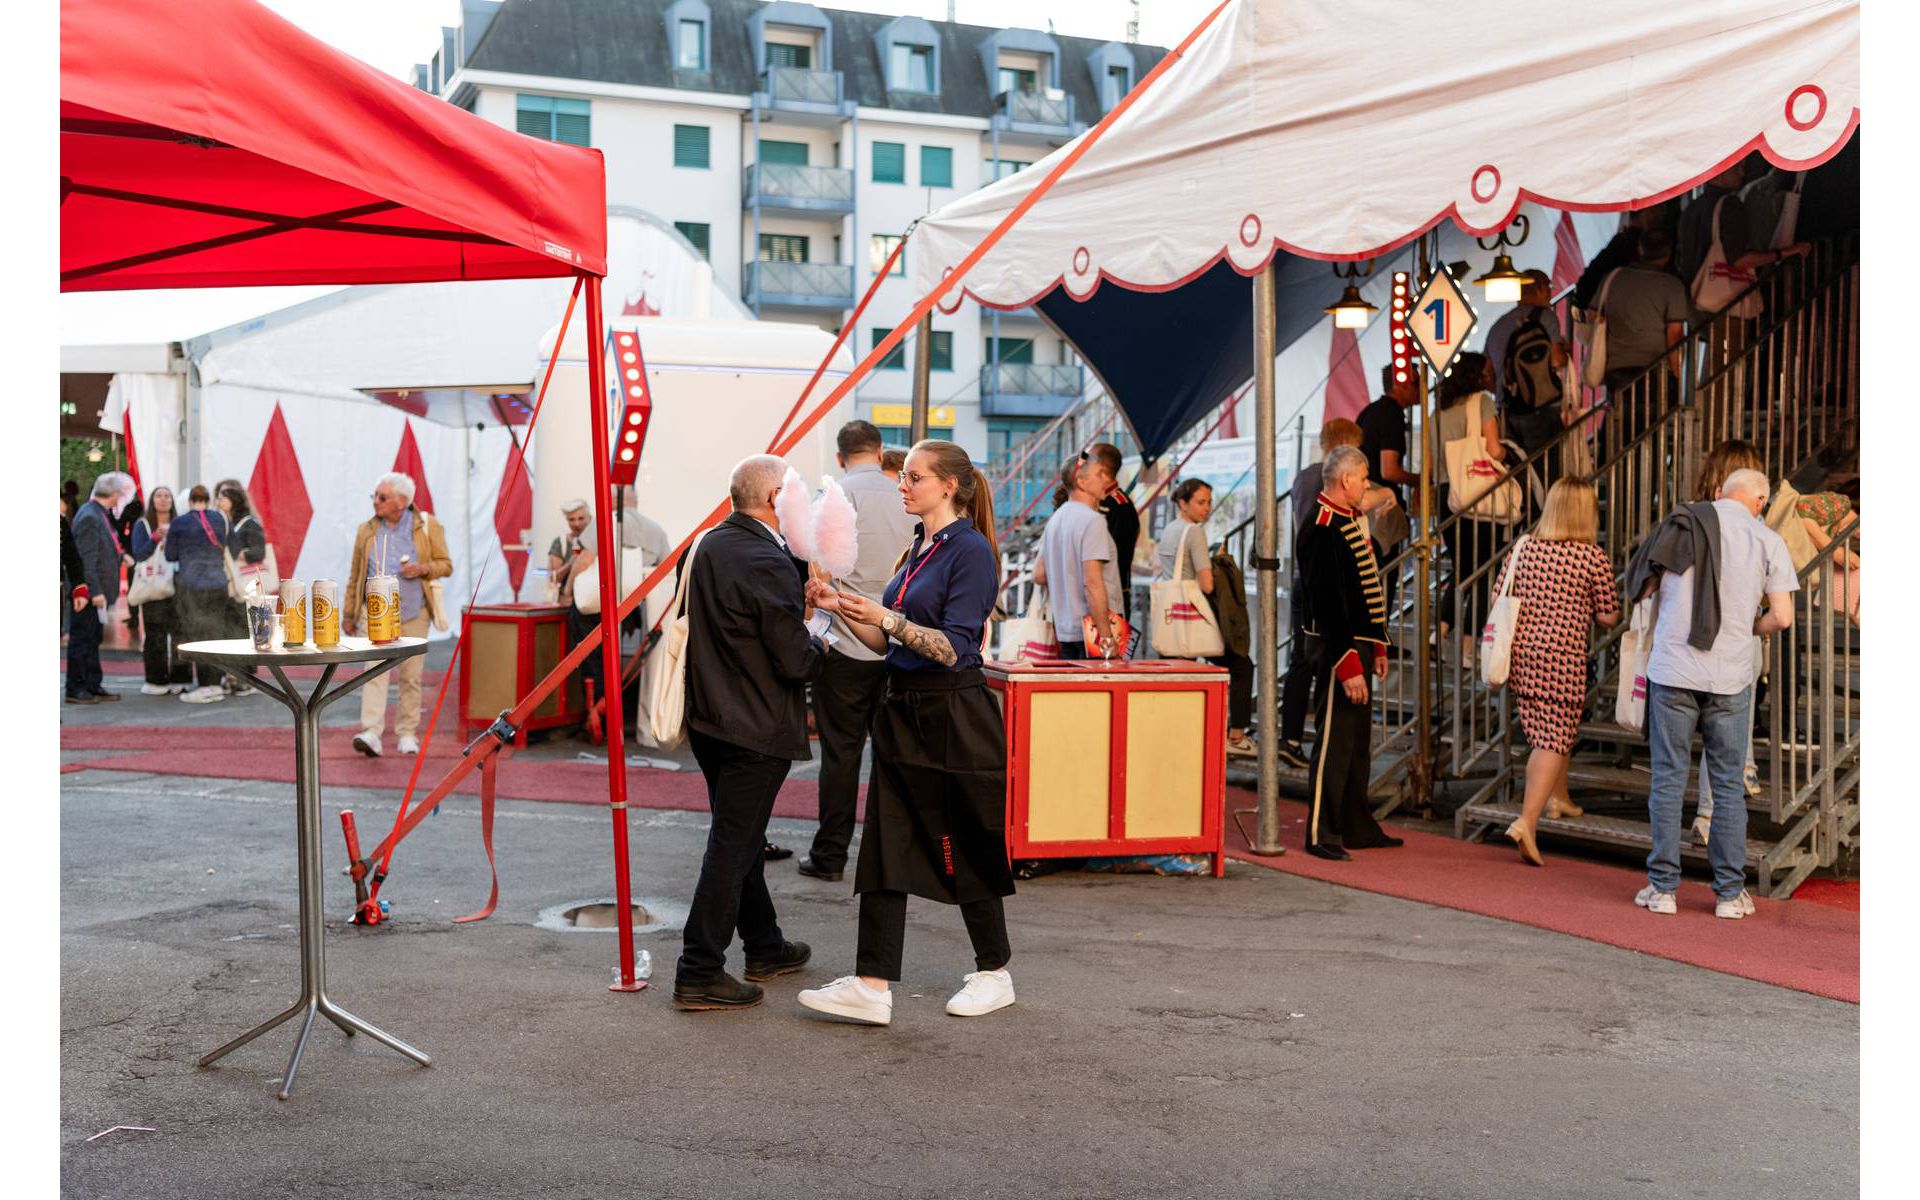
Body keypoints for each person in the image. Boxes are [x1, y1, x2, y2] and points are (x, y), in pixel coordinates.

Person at [798, 439, 1015, 1026]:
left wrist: (886, 617)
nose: (903, 485)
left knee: (965, 839)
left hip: (953, 715)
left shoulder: (970, 551)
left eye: (914, 477)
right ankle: (871, 984)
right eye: (906, 476)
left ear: (948, 485)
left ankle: (994, 971)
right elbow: (886, 642)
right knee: (885, 844)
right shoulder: (919, 544)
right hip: (904, 709)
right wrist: (842, 605)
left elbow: (955, 648)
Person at [671, 455, 824, 1011]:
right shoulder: (768, 558)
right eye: (797, 493)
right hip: (755, 726)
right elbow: (795, 659)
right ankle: (699, 968)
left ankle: (764, 945)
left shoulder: (706, 544)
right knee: (733, 847)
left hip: (710, 718)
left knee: (741, 837)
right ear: (775, 498)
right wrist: (821, 629)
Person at [1625, 469, 1796, 919]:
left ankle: (1663, 888)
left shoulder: (1683, 524)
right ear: (1760, 501)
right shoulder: (1768, 541)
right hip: (1730, 676)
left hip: (1674, 670)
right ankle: (1729, 894)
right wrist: (1749, 628)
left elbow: (1645, 587)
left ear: (1719, 493)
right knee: (1726, 785)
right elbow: (1782, 617)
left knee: (1668, 778)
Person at [802, 421, 919, 882]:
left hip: (845, 645)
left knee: (841, 755)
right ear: (880, 450)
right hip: (898, 644)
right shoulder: (907, 497)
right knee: (893, 757)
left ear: (840, 456)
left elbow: (815, 574)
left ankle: (830, 856)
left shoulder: (833, 497)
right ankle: (894, 856)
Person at [1490, 478, 1621, 866]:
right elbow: (1609, 616)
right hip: (1563, 657)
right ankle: (1527, 822)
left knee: (1547, 732)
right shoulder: (1591, 557)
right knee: (1553, 738)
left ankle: (1558, 798)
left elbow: (1499, 596)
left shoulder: (1524, 548)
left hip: (1523, 655)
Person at [1297, 447, 1402, 859]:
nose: (1366, 483)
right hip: (1336, 646)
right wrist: (1347, 663)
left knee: (1356, 743)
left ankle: (1355, 825)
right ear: (1345, 480)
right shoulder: (1322, 525)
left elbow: (1363, 592)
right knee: (1333, 742)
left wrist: (1376, 643)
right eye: (1363, 476)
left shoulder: (1347, 518)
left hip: (1356, 642)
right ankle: (1320, 833)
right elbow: (1328, 604)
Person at [346, 472, 453, 757]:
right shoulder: (366, 530)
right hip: (375, 612)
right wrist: (349, 614)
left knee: (411, 676)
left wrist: (423, 568)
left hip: (414, 611)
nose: (375, 502)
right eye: (375, 496)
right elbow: (356, 575)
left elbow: (446, 564)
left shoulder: (427, 526)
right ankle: (371, 732)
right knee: (374, 671)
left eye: (382, 497)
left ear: (401, 501)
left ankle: (407, 733)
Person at [1278, 420, 1365, 768]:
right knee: (1314, 658)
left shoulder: (1303, 477)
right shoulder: (1325, 506)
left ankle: (1291, 736)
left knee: (1301, 659)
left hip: (1305, 577)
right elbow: (1330, 601)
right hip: (1317, 580)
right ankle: (1297, 740)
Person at [1156, 479, 1253, 756]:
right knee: (1242, 665)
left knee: (1178, 679)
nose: (1207, 508)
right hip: (1193, 615)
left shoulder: (1170, 529)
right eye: (1200, 502)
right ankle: (1236, 736)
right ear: (1183, 503)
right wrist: (1217, 564)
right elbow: (1208, 584)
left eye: (1209, 502)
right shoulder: (1195, 532)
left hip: (1172, 615)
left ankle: (1175, 739)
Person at [1433, 352, 1506, 663]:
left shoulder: (1438, 411)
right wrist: (1508, 453)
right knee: (1485, 569)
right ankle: (1466, 646)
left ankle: (1439, 630)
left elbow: (1433, 462)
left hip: (1446, 495)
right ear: (1476, 375)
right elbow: (1493, 449)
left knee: (1463, 566)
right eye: (1487, 372)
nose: (1492, 377)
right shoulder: (1482, 402)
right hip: (1476, 493)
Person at [1032, 445, 1124, 659]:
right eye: (1099, 474)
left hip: (1064, 628)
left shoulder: (1055, 519)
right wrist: (1106, 637)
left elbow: (1039, 575)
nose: (1106, 479)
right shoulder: (1093, 521)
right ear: (1082, 482)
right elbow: (1093, 583)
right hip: (1096, 630)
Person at [1487, 270, 1570, 474]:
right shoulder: (1545, 317)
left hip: (1506, 410)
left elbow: (1487, 374)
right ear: (1541, 287)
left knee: (1518, 472)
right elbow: (1557, 359)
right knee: (1547, 471)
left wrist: (1508, 391)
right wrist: (1565, 352)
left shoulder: (1499, 325)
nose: (1551, 292)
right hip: (1541, 409)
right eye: (1549, 287)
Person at [65, 473, 134, 705]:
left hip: (93, 592)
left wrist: (121, 556)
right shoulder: (90, 516)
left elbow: (102, 548)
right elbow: (85, 559)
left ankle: (92, 684)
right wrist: (93, 591)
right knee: (83, 640)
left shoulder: (97, 513)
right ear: (114, 494)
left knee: (92, 639)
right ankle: (76, 688)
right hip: (87, 594)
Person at [1596, 226, 1691, 394]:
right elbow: (1674, 334)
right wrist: (1677, 371)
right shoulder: (1673, 286)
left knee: (1620, 410)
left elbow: (1593, 315)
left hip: (1616, 368)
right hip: (1655, 369)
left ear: (1640, 249)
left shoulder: (1614, 278)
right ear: (1669, 253)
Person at [167, 486, 234, 702]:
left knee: (199, 635)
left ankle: (206, 686)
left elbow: (170, 555)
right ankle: (218, 681)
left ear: (189, 502)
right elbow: (229, 545)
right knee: (217, 633)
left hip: (192, 585)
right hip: (219, 583)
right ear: (208, 500)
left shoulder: (179, 522)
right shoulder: (220, 519)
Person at [129, 486, 195, 695]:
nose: (164, 499)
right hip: (153, 587)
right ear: (152, 500)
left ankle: (181, 679)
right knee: (154, 635)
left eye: (167, 496)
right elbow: (139, 554)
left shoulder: (180, 523)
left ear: (172, 501)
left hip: (178, 586)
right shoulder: (143, 524)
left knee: (180, 634)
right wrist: (155, 538)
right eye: (159, 496)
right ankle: (156, 681)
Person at [213, 481, 265, 697]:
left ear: (233, 501)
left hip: (244, 588)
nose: (218, 501)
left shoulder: (249, 523)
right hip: (228, 587)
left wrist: (240, 555)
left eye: (222, 497)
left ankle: (244, 677)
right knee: (228, 632)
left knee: (243, 631)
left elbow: (259, 552)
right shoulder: (222, 522)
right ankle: (230, 675)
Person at [1099, 472, 1141, 624]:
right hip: (1094, 593)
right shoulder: (1094, 502)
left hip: (1111, 595)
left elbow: (1120, 558)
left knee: (1110, 638)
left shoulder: (1120, 505)